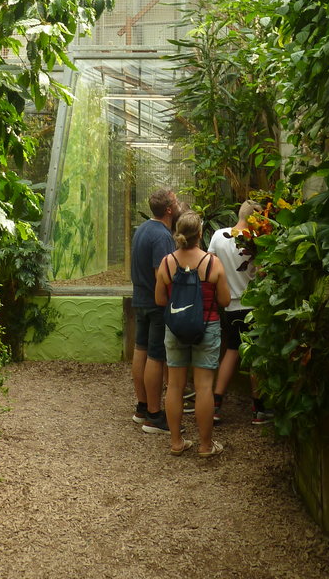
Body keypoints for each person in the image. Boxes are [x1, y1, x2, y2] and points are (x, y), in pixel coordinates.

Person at [154, 209, 230, 458]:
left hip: (175, 329)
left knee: (175, 386)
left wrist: (181, 311)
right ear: (200, 234)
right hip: (207, 327)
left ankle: (177, 442)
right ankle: (206, 446)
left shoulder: (167, 263)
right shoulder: (212, 263)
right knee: (204, 386)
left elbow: (159, 298)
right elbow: (225, 300)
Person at [207, 199, 273, 425]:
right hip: (252, 306)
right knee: (253, 354)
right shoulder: (257, 241)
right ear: (256, 219)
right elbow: (263, 273)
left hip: (228, 305)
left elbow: (210, 264)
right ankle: (259, 409)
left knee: (232, 349)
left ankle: (216, 405)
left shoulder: (218, 236)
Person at [130, 187, 180, 434]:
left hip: (140, 299)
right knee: (155, 356)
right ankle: (153, 415)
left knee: (140, 349)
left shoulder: (142, 230)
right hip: (155, 303)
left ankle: (141, 407)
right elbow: (161, 273)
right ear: (169, 209)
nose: (179, 204)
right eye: (177, 201)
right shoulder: (162, 235)